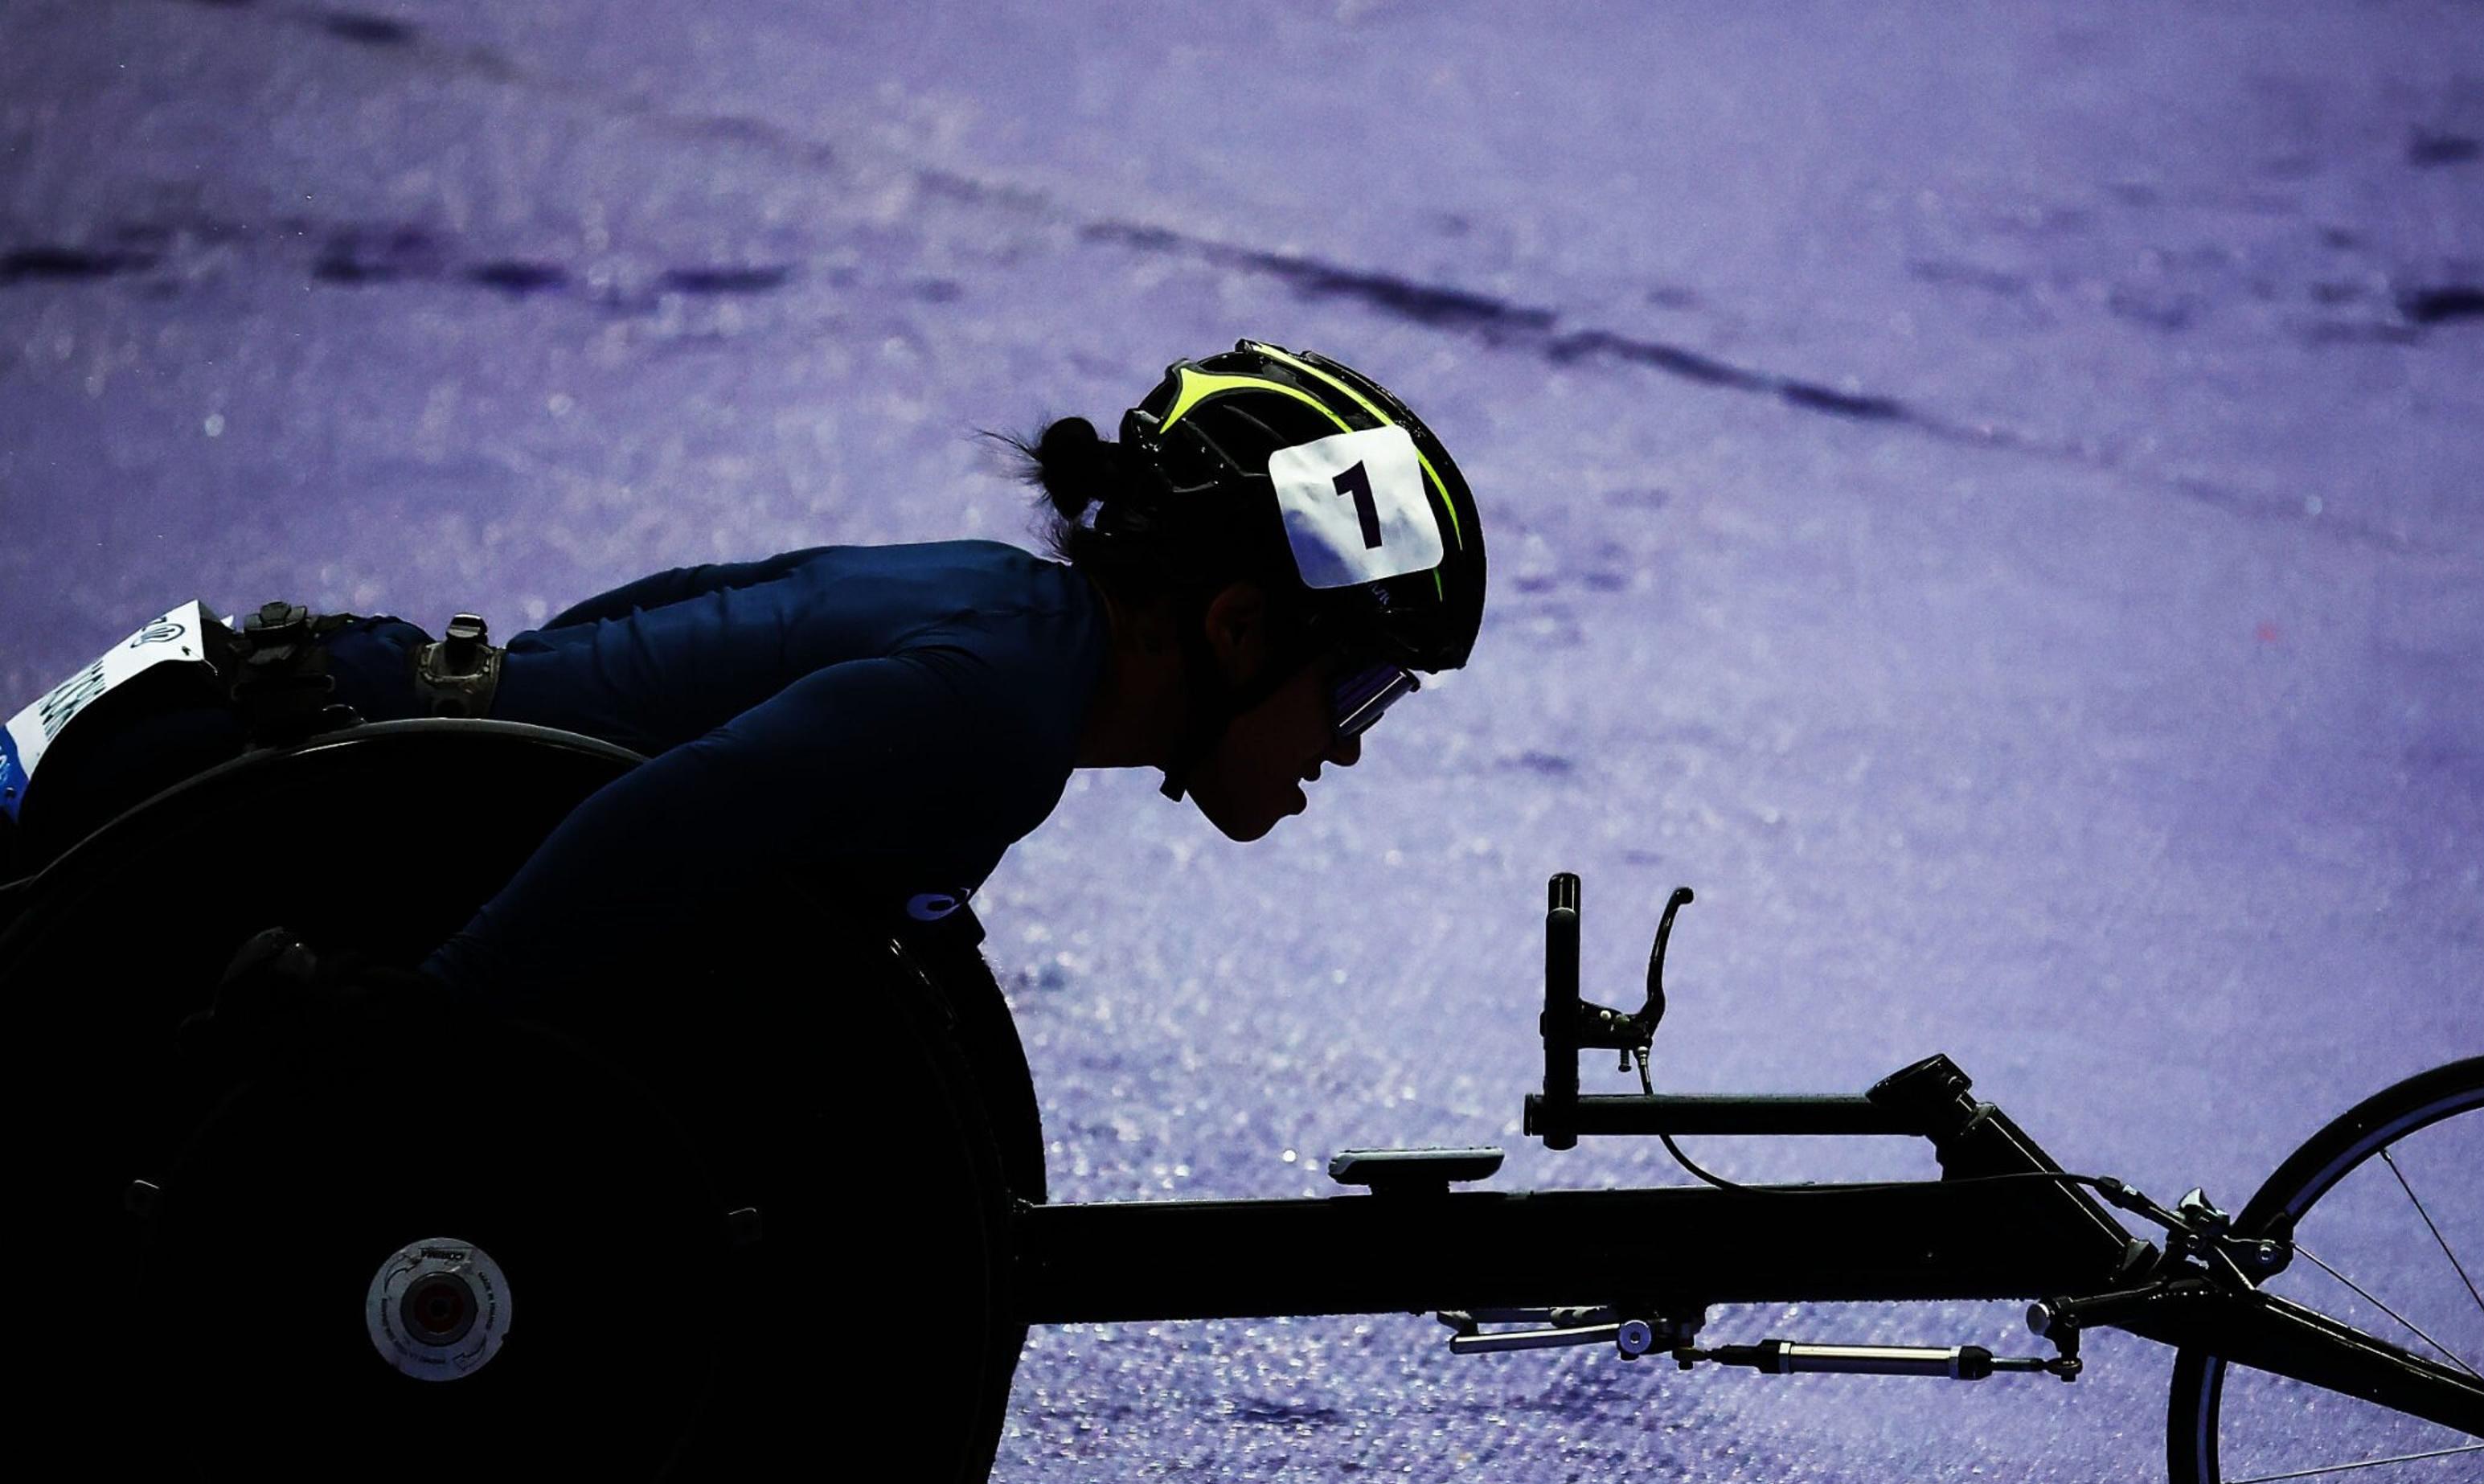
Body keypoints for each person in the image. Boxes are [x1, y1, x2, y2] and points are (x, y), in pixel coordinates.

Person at [0, 341, 1485, 1016]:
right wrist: (437, 1015)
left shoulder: (994, 602)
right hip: (216, 801)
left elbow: (654, 615)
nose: (1345, 752)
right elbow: (694, 808)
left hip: (266, 712)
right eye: (1359, 695)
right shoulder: (1003, 714)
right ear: (1235, 628)